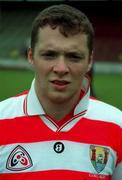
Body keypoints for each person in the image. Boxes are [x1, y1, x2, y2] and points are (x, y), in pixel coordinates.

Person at [0, 4, 122, 180]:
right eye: (49, 54)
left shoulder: (117, 126)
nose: (61, 68)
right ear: (30, 56)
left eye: (74, 57)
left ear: (90, 61)